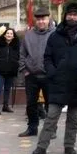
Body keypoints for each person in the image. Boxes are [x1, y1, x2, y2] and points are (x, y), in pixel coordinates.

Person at [32, 3, 77, 154]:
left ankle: (69, 146)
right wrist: (52, 72)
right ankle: (41, 146)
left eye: (76, 15)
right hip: (57, 82)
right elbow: (47, 57)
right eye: (70, 14)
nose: (72, 17)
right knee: (51, 117)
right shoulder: (55, 35)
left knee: (73, 119)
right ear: (65, 16)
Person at [18, 7, 54, 137]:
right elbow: (22, 54)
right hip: (31, 75)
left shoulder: (55, 34)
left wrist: (54, 71)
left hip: (49, 75)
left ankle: (51, 130)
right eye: (38, 19)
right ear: (35, 21)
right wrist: (25, 70)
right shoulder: (28, 35)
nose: (41, 22)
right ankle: (32, 128)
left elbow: (60, 55)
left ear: (48, 19)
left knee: (50, 105)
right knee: (31, 104)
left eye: (43, 19)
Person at [0, 27, 20, 115]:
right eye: (7, 33)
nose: (9, 35)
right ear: (4, 35)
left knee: (7, 89)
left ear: (13, 36)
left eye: (11, 34)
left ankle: (5, 106)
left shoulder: (16, 46)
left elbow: (19, 57)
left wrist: (16, 64)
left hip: (11, 71)